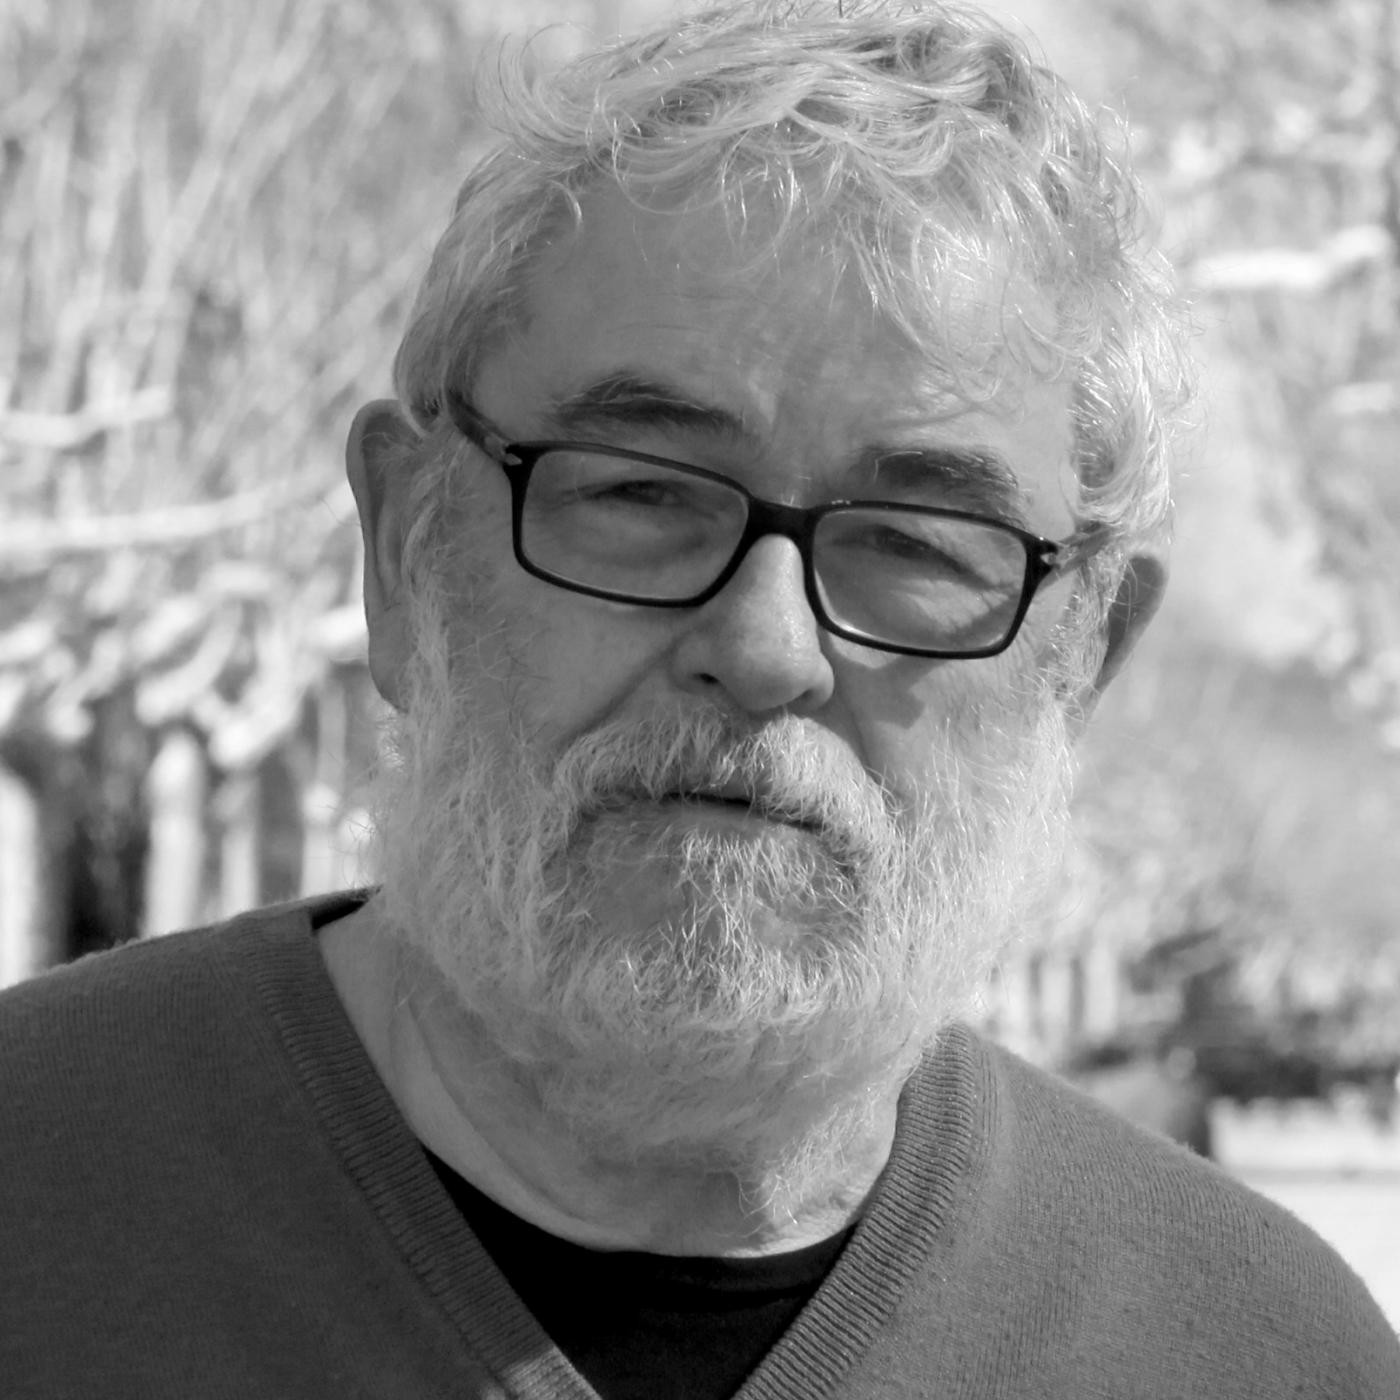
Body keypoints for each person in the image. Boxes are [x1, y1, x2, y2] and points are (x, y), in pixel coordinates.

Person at [3, 2, 1398, 1395]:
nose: (766, 647)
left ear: (1082, 656)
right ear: (403, 552)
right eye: (640, 494)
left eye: (917, 545)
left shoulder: (1263, 1358)